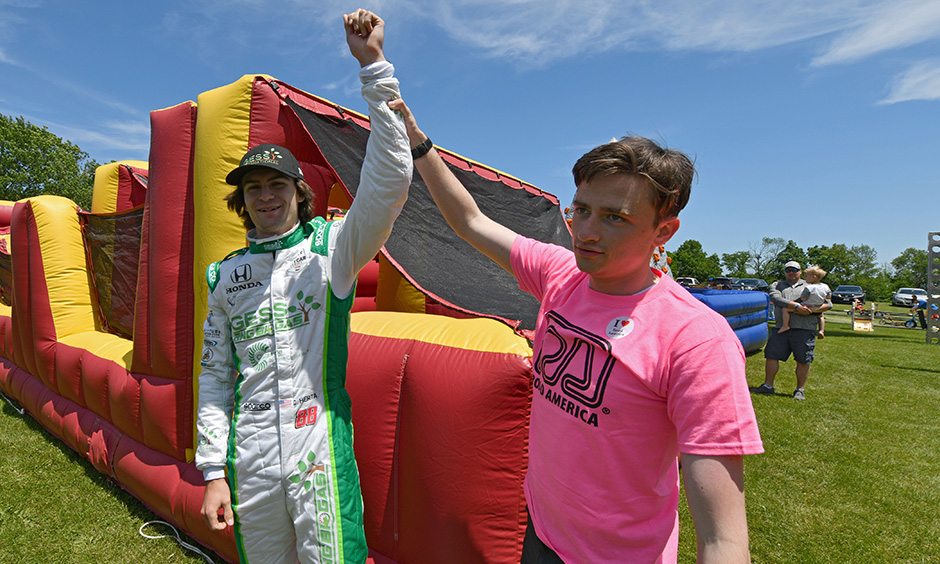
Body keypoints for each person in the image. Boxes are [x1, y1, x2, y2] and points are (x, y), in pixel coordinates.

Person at [386, 99, 763, 563]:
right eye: (581, 210)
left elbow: (723, 538)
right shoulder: (560, 274)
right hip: (541, 535)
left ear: (664, 231)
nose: (585, 231)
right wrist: (417, 141)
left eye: (614, 217)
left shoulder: (697, 340)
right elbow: (470, 221)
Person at [194, 10, 412, 564]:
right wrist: (214, 472)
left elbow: (389, 182)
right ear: (241, 200)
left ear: (298, 191)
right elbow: (216, 374)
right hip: (251, 454)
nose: (265, 196)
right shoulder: (223, 274)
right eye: (253, 188)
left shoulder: (332, 249)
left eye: (277, 185)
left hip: (317, 441)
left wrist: (373, 66)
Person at [756, 261, 831, 401]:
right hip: (781, 328)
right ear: (784, 272)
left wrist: (811, 310)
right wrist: (796, 307)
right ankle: (768, 386)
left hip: (805, 328)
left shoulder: (811, 284)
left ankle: (800, 390)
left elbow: (828, 304)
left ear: (800, 271)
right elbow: (775, 298)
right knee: (771, 356)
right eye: (788, 270)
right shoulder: (777, 285)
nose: (791, 272)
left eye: (794, 270)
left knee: (804, 360)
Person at [778, 264, 830, 339]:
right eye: (788, 270)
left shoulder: (809, 287)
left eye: (806, 276)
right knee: (821, 316)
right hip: (818, 308)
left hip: (805, 306)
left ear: (813, 277)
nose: (805, 278)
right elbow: (828, 297)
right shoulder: (825, 286)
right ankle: (821, 330)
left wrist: (797, 304)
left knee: (785, 309)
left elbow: (803, 298)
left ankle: (785, 325)